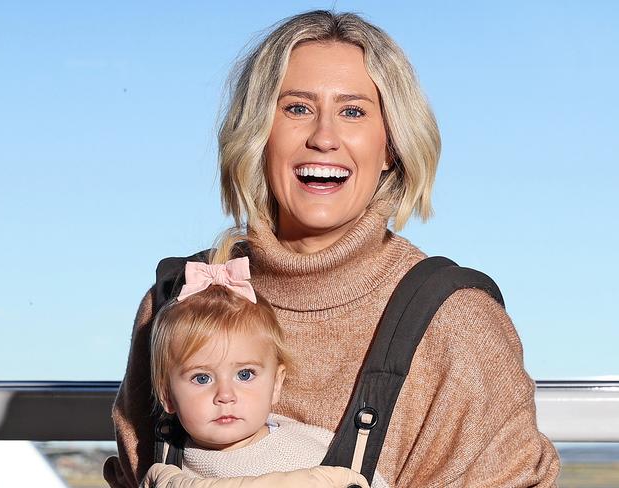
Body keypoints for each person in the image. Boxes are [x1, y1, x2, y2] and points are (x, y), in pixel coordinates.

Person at [105, 10, 561, 487]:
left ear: (391, 146)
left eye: (353, 111)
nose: (324, 138)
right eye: (297, 108)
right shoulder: (177, 299)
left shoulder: (456, 323)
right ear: (259, 135)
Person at [139, 255, 384, 488]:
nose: (225, 395)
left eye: (245, 375)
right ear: (167, 395)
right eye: (202, 378)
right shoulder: (167, 460)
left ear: (276, 384)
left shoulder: (307, 453)